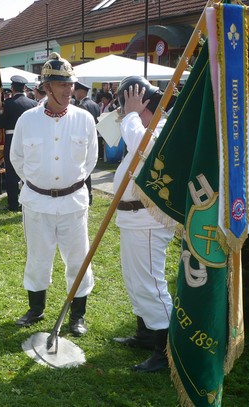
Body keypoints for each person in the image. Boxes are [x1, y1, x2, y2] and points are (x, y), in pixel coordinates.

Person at [10, 53, 98, 337]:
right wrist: (39, 185)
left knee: (78, 258)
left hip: (73, 202)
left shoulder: (84, 119)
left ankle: (77, 315)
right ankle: (36, 309)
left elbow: (91, 160)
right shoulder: (28, 120)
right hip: (37, 202)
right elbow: (17, 159)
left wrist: (68, 185)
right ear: (47, 88)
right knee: (38, 257)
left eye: (71, 84)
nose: (69, 90)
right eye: (62, 85)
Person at [111, 76, 176, 372]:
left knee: (151, 284)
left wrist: (132, 114)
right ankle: (146, 333)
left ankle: (167, 352)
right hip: (132, 218)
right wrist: (129, 116)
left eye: (128, 105)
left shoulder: (162, 128)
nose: (125, 112)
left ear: (142, 102)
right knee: (135, 281)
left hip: (148, 219)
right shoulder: (143, 126)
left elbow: (142, 147)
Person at [0, 75, 37, 212]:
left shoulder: (9, 103)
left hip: (12, 138)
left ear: (12, 88)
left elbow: (1, 123)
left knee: (11, 171)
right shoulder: (33, 104)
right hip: (29, 140)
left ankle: (13, 203)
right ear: (24, 88)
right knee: (28, 170)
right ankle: (29, 200)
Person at [74, 81, 101, 205]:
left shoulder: (83, 105)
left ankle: (87, 194)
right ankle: (88, 194)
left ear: (81, 92)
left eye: (75, 91)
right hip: (93, 136)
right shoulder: (94, 104)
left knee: (84, 169)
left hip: (82, 139)